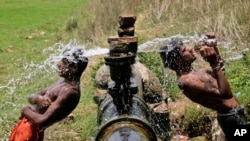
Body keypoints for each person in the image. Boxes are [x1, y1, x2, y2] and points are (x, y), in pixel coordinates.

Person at [159, 32, 247, 140]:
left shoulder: (196, 72)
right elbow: (225, 94)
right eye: (184, 50)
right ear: (178, 61)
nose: (190, 49)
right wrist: (213, 62)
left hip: (235, 114)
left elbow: (221, 73)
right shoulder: (187, 81)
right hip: (231, 119)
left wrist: (214, 47)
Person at [9, 46, 88, 141]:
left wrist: (25, 110)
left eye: (63, 62)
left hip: (31, 131)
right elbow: (31, 97)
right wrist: (38, 99)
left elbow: (42, 121)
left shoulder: (70, 91)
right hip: (27, 126)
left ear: (74, 67)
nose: (58, 64)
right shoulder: (63, 82)